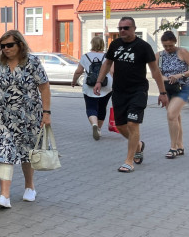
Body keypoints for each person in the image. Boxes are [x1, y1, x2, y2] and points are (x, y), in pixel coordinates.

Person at [0, 30, 51, 209]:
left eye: (9, 45)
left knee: (27, 153)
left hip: (28, 117)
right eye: (2, 46)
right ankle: (4, 196)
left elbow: (44, 87)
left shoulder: (32, 63)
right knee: (5, 152)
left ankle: (30, 186)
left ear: (20, 44)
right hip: (3, 118)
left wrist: (46, 113)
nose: (5, 49)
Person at [93, 16, 168, 173]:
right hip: (119, 91)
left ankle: (129, 161)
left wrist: (162, 92)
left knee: (133, 124)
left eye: (126, 28)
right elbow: (107, 63)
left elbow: (155, 70)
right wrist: (99, 81)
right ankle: (138, 145)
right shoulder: (115, 45)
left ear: (134, 29)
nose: (122, 31)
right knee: (120, 126)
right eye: (120, 28)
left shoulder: (143, 47)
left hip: (138, 91)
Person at [71, 36, 113, 140]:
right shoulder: (108, 56)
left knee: (91, 107)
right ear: (103, 44)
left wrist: (74, 81)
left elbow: (79, 71)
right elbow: (113, 72)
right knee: (102, 107)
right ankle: (98, 129)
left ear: (92, 44)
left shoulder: (85, 56)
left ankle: (94, 124)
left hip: (90, 85)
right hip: (106, 85)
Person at [156, 31, 189, 159]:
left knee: (171, 115)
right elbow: (156, 73)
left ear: (175, 42)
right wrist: (164, 78)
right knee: (175, 117)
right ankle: (180, 146)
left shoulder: (182, 52)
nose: (168, 48)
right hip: (167, 88)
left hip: (183, 88)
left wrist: (179, 75)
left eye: (170, 45)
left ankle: (173, 147)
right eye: (165, 46)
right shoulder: (159, 55)